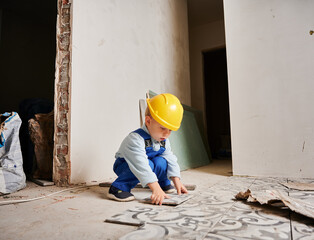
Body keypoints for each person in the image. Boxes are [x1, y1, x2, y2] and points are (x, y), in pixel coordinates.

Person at [108, 93, 188, 205]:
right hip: (126, 165)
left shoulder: (163, 140)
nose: (166, 134)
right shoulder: (135, 139)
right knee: (148, 164)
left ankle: (162, 183)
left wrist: (176, 180)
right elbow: (140, 164)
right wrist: (155, 188)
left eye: (170, 130)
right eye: (163, 128)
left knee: (162, 161)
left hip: (147, 164)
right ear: (148, 121)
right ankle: (118, 187)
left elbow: (171, 159)